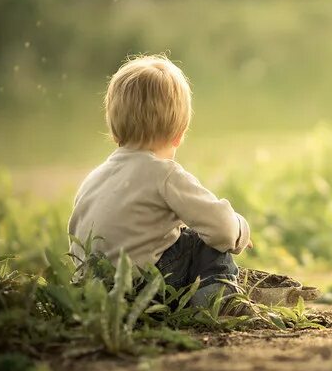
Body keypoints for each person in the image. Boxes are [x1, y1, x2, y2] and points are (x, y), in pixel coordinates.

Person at [68, 54, 251, 308]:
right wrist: (240, 230)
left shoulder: (94, 178)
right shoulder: (164, 174)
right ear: (179, 134)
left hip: (98, 291)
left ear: (114, 126)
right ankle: (215, 302)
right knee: (205, 242)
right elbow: (221, 228)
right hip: (142, 287)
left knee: (180, 236)